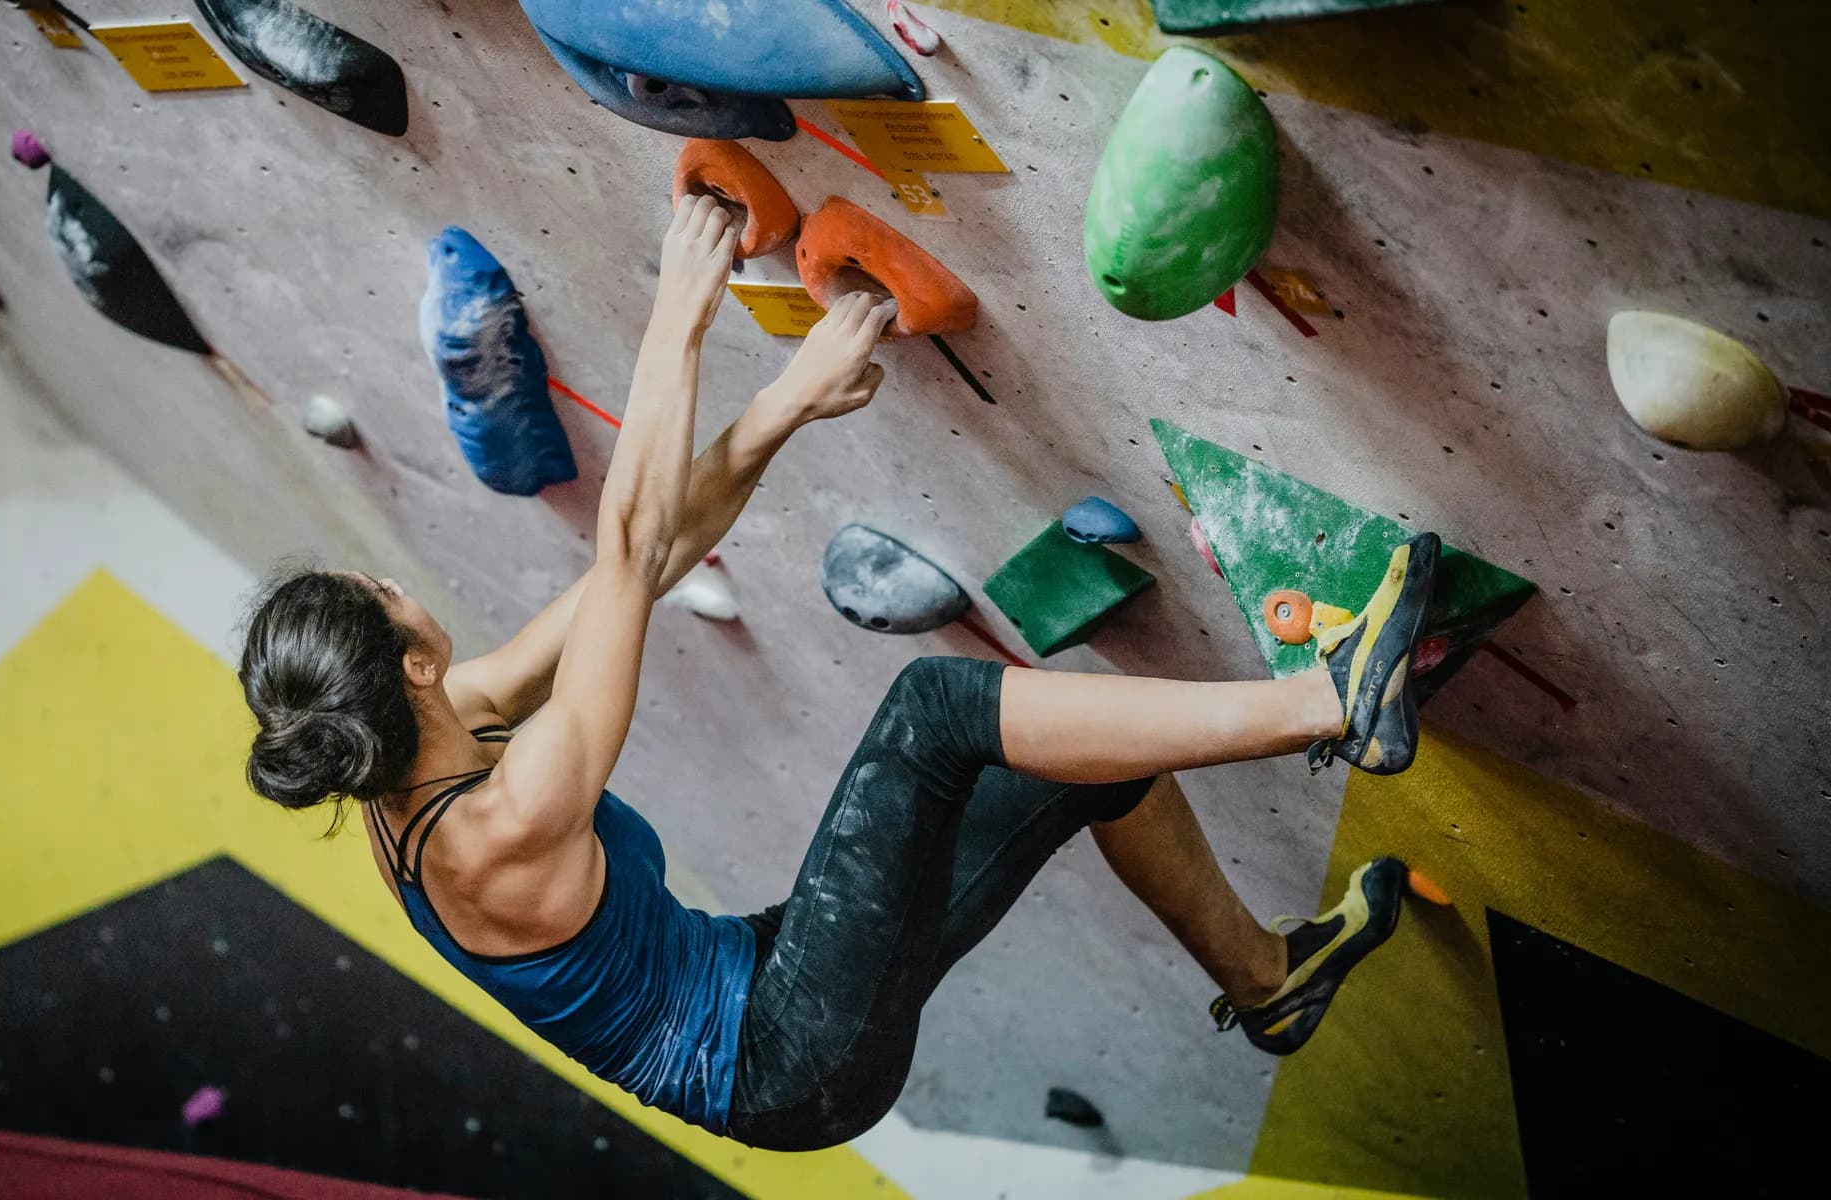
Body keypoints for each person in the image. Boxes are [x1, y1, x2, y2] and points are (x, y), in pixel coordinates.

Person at [236, 195, 1433, 1151]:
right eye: (379, 593)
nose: (396, 583)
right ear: (411, 657)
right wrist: (680, 311)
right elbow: (630, 540)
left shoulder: (443, 729)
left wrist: (784, 409)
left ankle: (1272, 981)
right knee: (937, 712)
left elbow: (645, 568)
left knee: (1078, 763)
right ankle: (1330, 702)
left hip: (772, 976)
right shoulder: (500, 823)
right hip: (787, 1063)